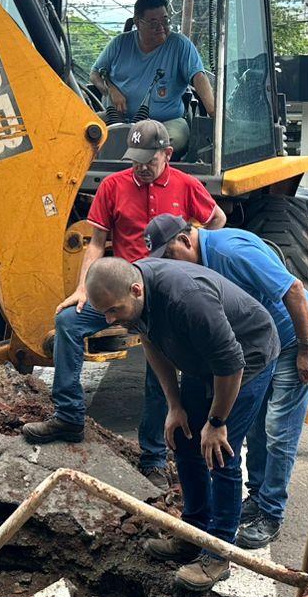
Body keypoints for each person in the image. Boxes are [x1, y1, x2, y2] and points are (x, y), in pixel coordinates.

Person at [22, 119, 226, 487]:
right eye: (135, 161)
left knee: (159, 371)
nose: (141, 168)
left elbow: (217, 220)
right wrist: (84, 288)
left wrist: (201, 265)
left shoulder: (187, 185)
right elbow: (96, 243)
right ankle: (69, 416)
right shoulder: (114, 186)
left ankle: (152, 456)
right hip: (119, 291)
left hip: (163, 297)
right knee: (69, 322)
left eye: (149, 160)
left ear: (167, 153)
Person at [85, 255, 278, 592]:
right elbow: (151, 343)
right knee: (185, 440)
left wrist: (217, 422)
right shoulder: (135, 299)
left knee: (221, 454)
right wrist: (174, 405)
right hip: (201, 360)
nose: (110, 319)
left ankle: (217, 554)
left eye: (114, 310)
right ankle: (193, 532)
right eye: (105, 313)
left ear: (136, 290)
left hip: (248, 359)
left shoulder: (187, 300)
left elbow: (231, 364)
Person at [144, 213, 308, 549]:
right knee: (255, 427)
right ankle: (257, 498)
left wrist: (307, 348)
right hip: (258, 347)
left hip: (296, 337)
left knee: (278, 428)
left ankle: (271, 512)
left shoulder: (229, 252)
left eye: (170, 256)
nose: (170, 265)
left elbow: (293, 289)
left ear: (186, 240)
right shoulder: (196, 264)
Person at [90, 0, 215, 154]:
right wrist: (110, 89)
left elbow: (199, 77)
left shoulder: (180, 45)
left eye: (165, 20)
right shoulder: (120, 43)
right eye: (153, 23)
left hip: (165, 122)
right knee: (80, 132)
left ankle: (145, 172)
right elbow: (95, 74)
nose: (161, 27)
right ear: (137, 23)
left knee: (169, 142)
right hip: (117, 119)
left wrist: (214, 113)